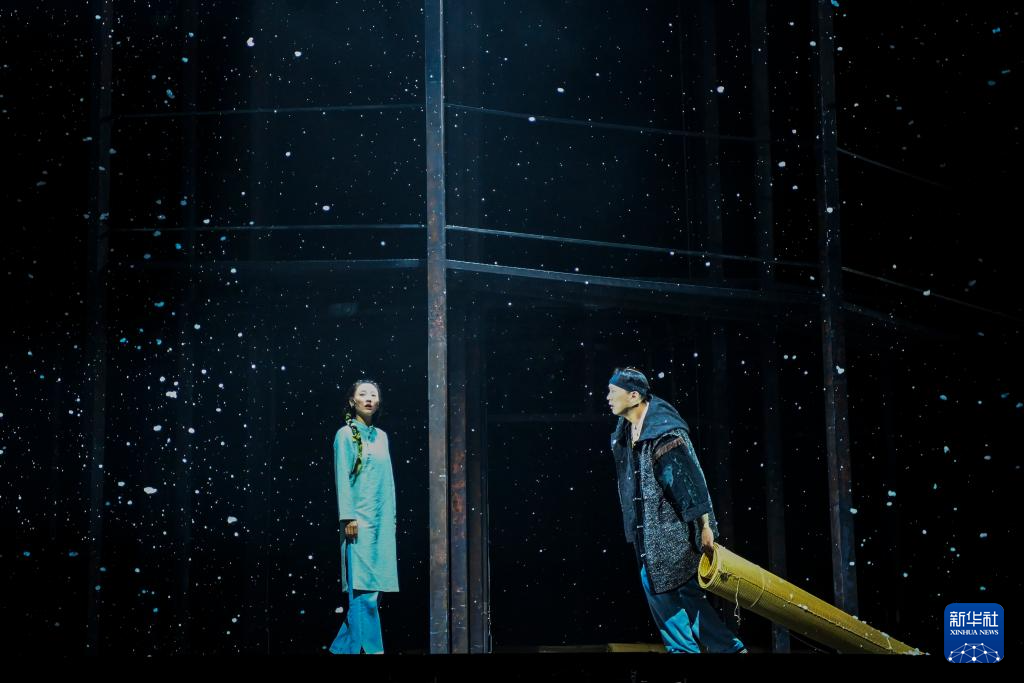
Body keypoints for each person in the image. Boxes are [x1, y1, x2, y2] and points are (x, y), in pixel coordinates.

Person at [606, 367, 746, 654]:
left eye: (613, 392)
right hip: (649, 532)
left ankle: (686, 651)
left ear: (634, 396)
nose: (608, 397)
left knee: (658, 587)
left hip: (671, 533)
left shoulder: (663, 431)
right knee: (686, 596)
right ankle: (729, 649)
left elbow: (689, 481)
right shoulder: (627, 430)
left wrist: (705, 526)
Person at [329, 379, 398, 655]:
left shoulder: (382, 437)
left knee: (374, 592)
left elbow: (388, 481)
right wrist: (348, 517)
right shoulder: (345, 435)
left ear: (378, 402)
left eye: (373, 394)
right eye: (363, 394)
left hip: (381, 521)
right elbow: (342, 478)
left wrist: (392, 519)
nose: (368, 398)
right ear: (352, 401)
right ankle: (373, 650)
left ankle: (340, 650)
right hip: (357, 522)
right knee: (363, 593)